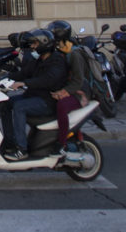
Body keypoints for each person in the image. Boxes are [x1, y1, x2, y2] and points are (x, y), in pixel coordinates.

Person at [1, 29, 67, 161]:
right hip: (34, 96)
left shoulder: (57, 61)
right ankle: (10, 142)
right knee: (5, 103)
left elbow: (47, 80)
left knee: (19, 107)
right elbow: (24, 72)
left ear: (44, 43)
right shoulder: (39, 60)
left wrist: (24, 83)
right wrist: (5, 78)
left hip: (47, 101)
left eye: (35, 44)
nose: (32, 47)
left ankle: (22, 149)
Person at [46, 19, 87, 159]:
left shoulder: (74, 54)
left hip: (79, 93)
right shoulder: (60, 51)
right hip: (66, 89)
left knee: (61, 107)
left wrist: (64, 92)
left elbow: (78, 80)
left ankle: (61, 144)